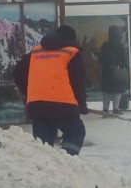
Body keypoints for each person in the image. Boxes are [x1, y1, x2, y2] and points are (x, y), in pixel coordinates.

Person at [16, 24, 89, 155]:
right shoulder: (72, 52)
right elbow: (78, 81)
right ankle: (68, 158)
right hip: (63, 104)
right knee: (75, 132)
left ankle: (45, 163)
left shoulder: (35, 52)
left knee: (43, 141)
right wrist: (81, 104)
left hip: (37, 105)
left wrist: (29, 93)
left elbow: (17, 71)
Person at [98, 24, 129, 113]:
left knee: (107, 92)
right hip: (118, 71)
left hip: (107, 71)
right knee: (117, 92)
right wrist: (124, 67)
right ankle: (115, 108)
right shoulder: (121, 46)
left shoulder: (105, 45)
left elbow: (101, 59)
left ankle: (105, 109)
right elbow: (125, 59)